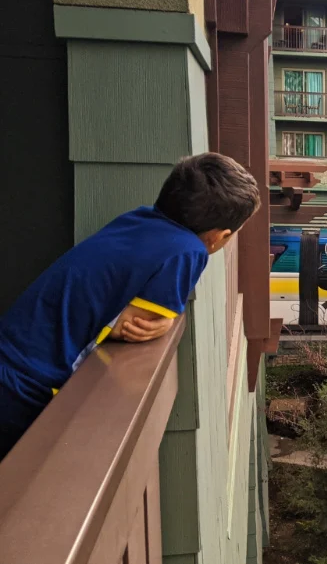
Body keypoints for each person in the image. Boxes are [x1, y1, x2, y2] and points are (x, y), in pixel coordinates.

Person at [0, 153, 260, 460]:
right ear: (218, 238)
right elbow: (133, 326)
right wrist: (165, 319)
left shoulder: (137, 218)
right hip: (28, 387)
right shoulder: (188, 250)